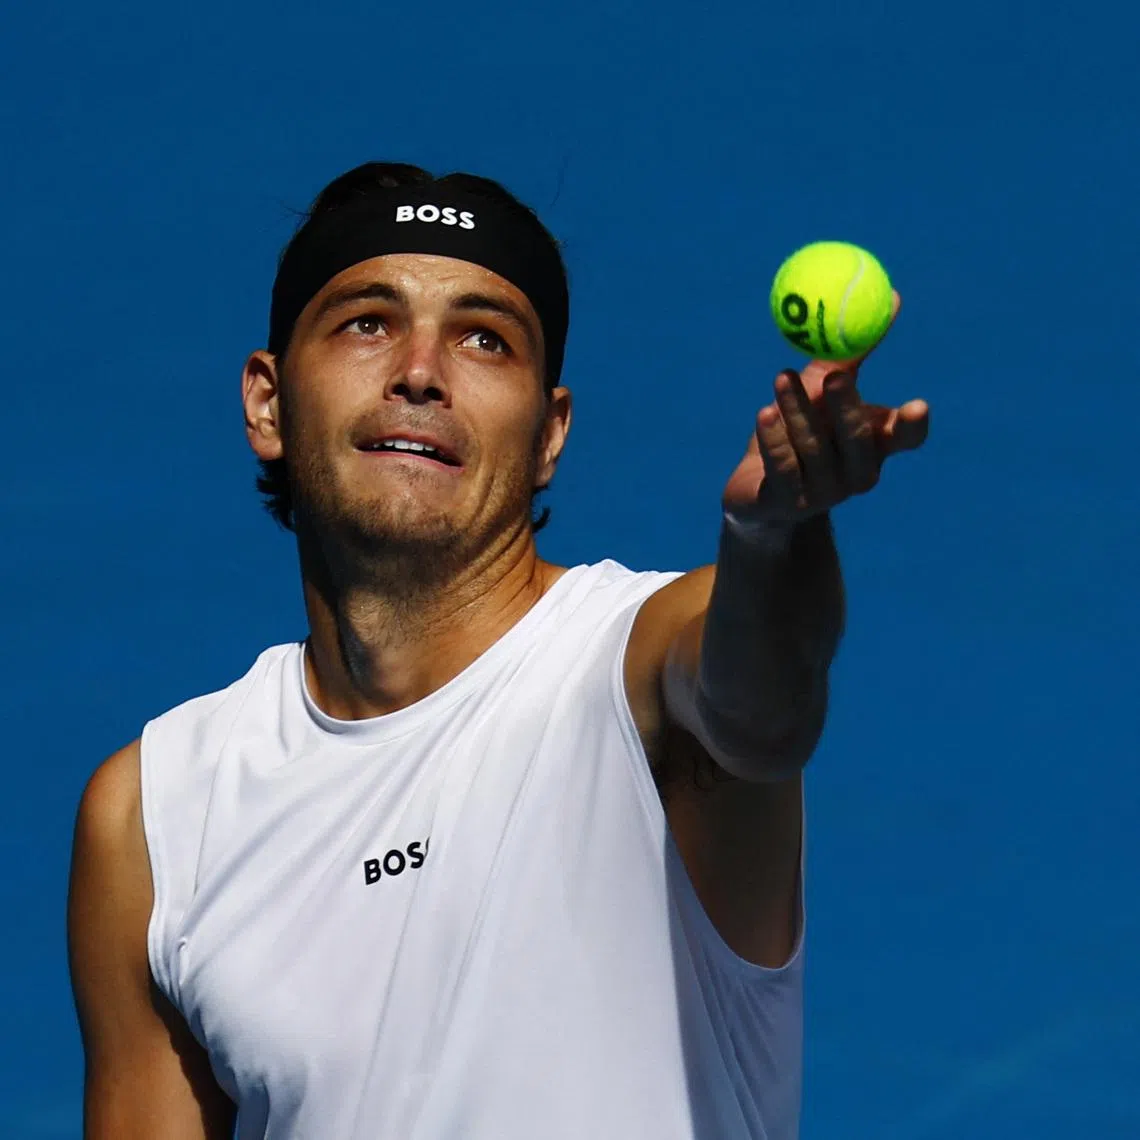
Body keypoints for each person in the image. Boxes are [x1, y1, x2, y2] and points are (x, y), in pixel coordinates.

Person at [67, 161, 929, 1139]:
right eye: (367, 322)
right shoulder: (155, 816)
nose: (422, 372)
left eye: (485, 338)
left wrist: (774, 539)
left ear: (550, 433)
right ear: (267, 402)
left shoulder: (637, 676)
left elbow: (760, 709)